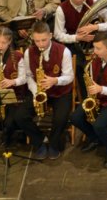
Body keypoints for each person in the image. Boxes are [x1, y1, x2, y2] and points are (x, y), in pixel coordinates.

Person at [71, 31, 107, 169]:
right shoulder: (94, 61)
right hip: (98, 98)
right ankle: (94, 138)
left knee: (99, 125)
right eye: (94, 47)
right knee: (75, 117)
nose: (94, 51)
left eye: (98, 48)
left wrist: (101, 89)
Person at [17, 21, 74, 160]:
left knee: (61, 118)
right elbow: (28, 76)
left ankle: (54, 143)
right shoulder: (28, 52)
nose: (40, 44)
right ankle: (40, 140)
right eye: (37, 41)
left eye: (44, 40)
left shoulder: (64, 51)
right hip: (39, 92)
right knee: (20, 116)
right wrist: (36, 91)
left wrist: (55, 80)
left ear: (50, 35)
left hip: (60, 92)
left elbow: (69, 77)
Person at [53, 0, 107, 97]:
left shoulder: (93, 2)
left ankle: (105, 94)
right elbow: (58, 35)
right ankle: (86, 98)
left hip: (96, 42)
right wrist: (78, 38)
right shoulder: (61, 9)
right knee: (80, 67)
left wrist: (95, 27)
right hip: (75, 44)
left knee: (106, 63)